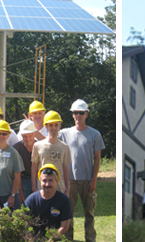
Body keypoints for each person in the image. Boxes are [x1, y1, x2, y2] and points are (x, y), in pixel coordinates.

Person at [59, 99, 106, 242]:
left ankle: (90, 239)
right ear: (72, 115)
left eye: (81, 113)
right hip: (70, 180)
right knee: (68, 213)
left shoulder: (94, 134)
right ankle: (68, 239)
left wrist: (93, 180)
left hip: (87, 180)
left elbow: (97, 159)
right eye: (75, 113)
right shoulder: (64, 133)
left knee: (89, 213)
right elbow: (49, 140)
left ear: (86, 114)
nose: (78, 115)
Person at [24, 164, 72, 237]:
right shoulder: (31, 200)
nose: (47, 184)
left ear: (57, 181)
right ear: (40, 182)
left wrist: (52, 239)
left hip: (56, 239)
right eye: (44, 181)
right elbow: (25, 225)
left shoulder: (64, 200)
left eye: (50, 180)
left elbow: (64, 227)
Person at [31, 110, 71, 195]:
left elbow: (65, 169)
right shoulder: (37, 146)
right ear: (46, 126)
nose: (53, 128)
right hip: (42, 188)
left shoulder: (65, 147)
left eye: (56, 125)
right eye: (51, 125)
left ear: (60, 126)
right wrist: (34, 187)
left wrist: (67, 189)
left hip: (60, 189)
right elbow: (34, 168)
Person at [13, 120, 37, 200]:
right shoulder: (16, 148)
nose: (27, 139)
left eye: (30, 136)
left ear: (35, 134)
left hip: (39, 178)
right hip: (23, 179)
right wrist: (20, 191)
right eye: (25, 136)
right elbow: (16, 171)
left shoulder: (40, 146)